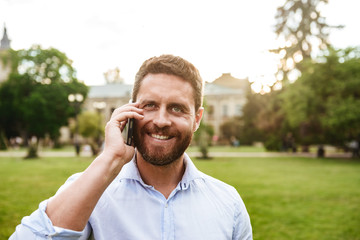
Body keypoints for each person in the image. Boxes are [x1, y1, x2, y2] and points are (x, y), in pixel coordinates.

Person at [10, 55, 252, 239]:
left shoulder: (228, 203)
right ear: (129, 110)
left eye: (177, 108)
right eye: (150, 105)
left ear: (197, 119)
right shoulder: (92, 188)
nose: (161, 120)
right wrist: (110, 159)